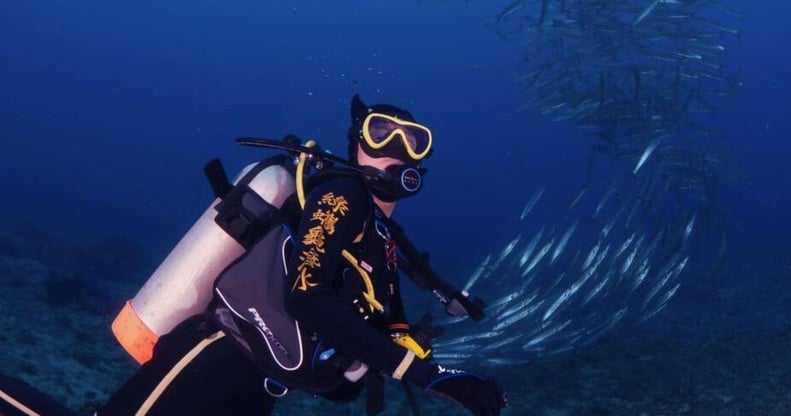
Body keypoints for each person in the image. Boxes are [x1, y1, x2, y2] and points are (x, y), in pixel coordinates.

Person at [0, 94, 505, 416]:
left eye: (411, 140)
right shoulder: (342, 196)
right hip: (219, 356)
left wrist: (390, 358)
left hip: (260, 386)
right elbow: (307, 298)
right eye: (378, 134)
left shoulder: (382, 239)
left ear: (422, 157)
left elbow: (349, 345)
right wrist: (429, 376)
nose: (392, 149)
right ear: (356, 146)